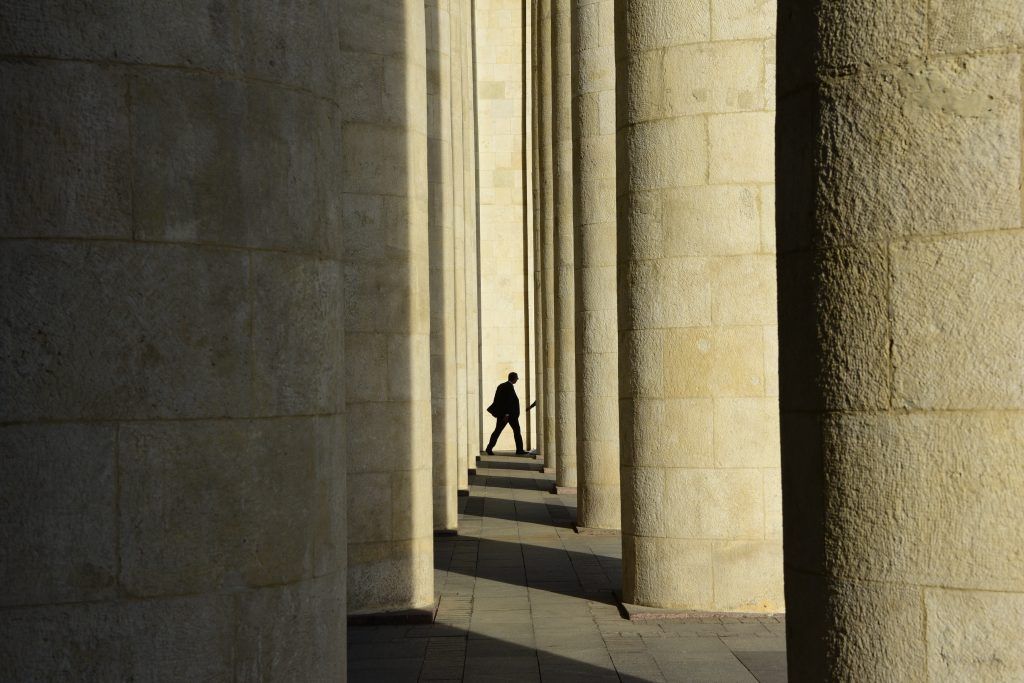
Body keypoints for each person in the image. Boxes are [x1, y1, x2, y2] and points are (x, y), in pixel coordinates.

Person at [484, 371, 531, 455]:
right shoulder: (509, 387)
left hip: (505, 414)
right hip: (509, 415)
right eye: (516, 378)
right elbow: (507, 401)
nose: (517, 380)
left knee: (497, 431)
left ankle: (489, 448)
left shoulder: (502, 385)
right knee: (516, 431)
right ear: (514, 378)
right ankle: (519, 450)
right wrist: (506, 414)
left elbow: (497, 400)